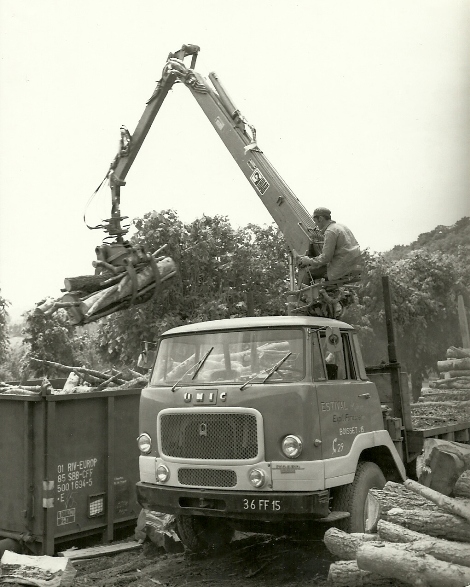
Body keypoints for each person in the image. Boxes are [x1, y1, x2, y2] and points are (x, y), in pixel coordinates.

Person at [297, 207, 362, 282]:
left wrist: (308, 261)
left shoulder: (330, 232)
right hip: (354, 265)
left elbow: (326, 258)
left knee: (307, 273)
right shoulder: (342, 227)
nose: (315, 224)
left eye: (315, 221)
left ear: (320, 219)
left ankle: (306, 294)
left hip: (341, 268)